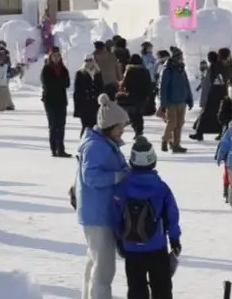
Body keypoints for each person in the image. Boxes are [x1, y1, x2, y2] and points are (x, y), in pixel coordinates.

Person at [76, 94, 131, 299]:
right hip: (97, 213)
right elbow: (90, 177)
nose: (123, 130)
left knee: (95, 260)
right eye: (120, 126)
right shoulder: (96, 147)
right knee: (105, 267)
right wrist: (118, 176)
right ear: (109, 126)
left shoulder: (104, 142)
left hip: (99, 210)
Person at [112, 138, 182, 299]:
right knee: (161, 288)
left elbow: (115, 216)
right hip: (156, 246)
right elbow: (172, 215)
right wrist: (174, 239)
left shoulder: (122, 187)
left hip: (131, 246)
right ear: (153, 161)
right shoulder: (161, 188)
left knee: (136, 288)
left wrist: (119, 239)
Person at [157, 50, 192, 153]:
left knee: (179, 124)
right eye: (180, 57)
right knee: (172, 123)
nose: (181, 59)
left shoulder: (182, 69)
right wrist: (163, 103)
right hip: (171, 101)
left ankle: (176, 145)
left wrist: (189, 99)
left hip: (182, 101)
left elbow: (186, 84)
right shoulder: (167, 70)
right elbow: (163, 87)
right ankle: (165, 139)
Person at [41, 49, 72, 158]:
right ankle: (54, 148)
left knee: (61, 125)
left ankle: (61, 149)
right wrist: (59, 83)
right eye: (54, 56)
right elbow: (47, 84)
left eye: (58, 56)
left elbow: (67, 83)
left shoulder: (64, 69)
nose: (57, 58)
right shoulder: (46, 69)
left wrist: (60, 82)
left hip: (61, 100)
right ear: (51, 57)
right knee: (53, 125)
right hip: (50, 100)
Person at [191, 52, 228, 141]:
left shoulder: (214, 67)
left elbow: (215, 80)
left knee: (206, 113)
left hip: (215, 93)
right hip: (220, 93)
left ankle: (200, 132)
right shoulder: (220, 66)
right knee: (219, 114)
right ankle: (220, 132)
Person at [118, 54, 154, 139]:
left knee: (132, 115)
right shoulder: (145, 71)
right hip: (142, 96)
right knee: (139, 114)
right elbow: (148, 84)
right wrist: (148, 95)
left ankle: (136, 129)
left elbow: (125, 84)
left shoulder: (129, 71)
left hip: (131, 96)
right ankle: (139, 130)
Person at [73, 56, 105, 137]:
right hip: (84, 105)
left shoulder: (98, 73)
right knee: (86, 127)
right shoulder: (80, 73)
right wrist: (77, 108)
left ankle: (94, 145)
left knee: (96, 127)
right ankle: (83, 144)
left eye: (90, 60)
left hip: (95, 104)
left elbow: (101, 89)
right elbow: (77, 92)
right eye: (86, 60)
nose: (88, 62)